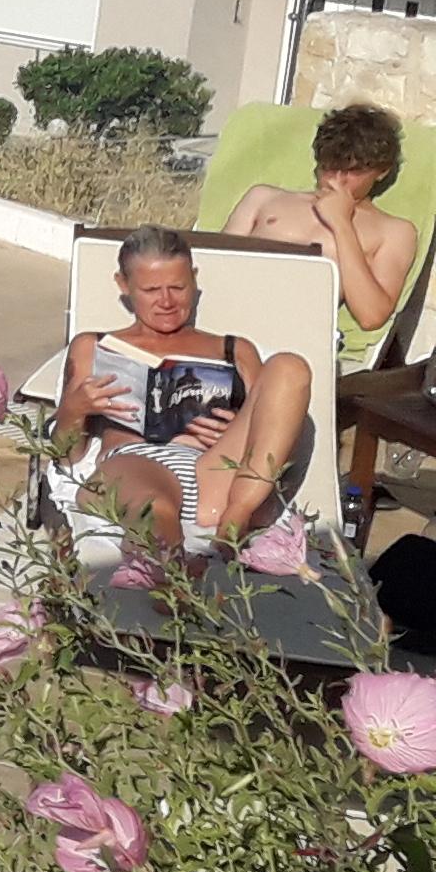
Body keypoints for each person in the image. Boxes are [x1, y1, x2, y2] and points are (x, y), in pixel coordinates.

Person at [51, 227, 311, 550]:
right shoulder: (95, 346)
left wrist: (246, 428)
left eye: (178, 287)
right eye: (150, 290)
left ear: (194, 278)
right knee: (153, 510)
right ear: (123, 285)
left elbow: (282, 425)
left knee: (290, 367)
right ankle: (171, 577)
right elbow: (65, 456)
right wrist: (75, 410)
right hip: (136, 462)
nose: (166, 302)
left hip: (218, 472)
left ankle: (237, 518)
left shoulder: (234, 349)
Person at [230, 102, 418, 373]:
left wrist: (341, 223)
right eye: (330, 167)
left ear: (382, 171)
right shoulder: (264, 198)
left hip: (294, 343)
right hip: (231, 320)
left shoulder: (394, 231)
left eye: (353, 171)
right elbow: (215, 266)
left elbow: (371, 315)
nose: (337, 180)